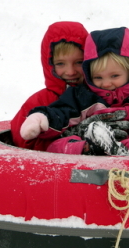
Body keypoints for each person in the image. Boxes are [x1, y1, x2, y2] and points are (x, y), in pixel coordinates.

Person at [19, 27, 129, 155]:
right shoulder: (83, 96)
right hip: (91, 140)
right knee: (57, 146)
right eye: (98, 77)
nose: (106, 83)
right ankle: (91, 149)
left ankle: (121, 154)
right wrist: (40, 118)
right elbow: (60, 112)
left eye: (114, 75)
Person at [10, 21, 88, 151]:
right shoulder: (39, 102)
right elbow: (24, 144)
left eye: (79, 62)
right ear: (49, 64)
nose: (70, 72)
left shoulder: (100, 95)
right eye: (60, 64)